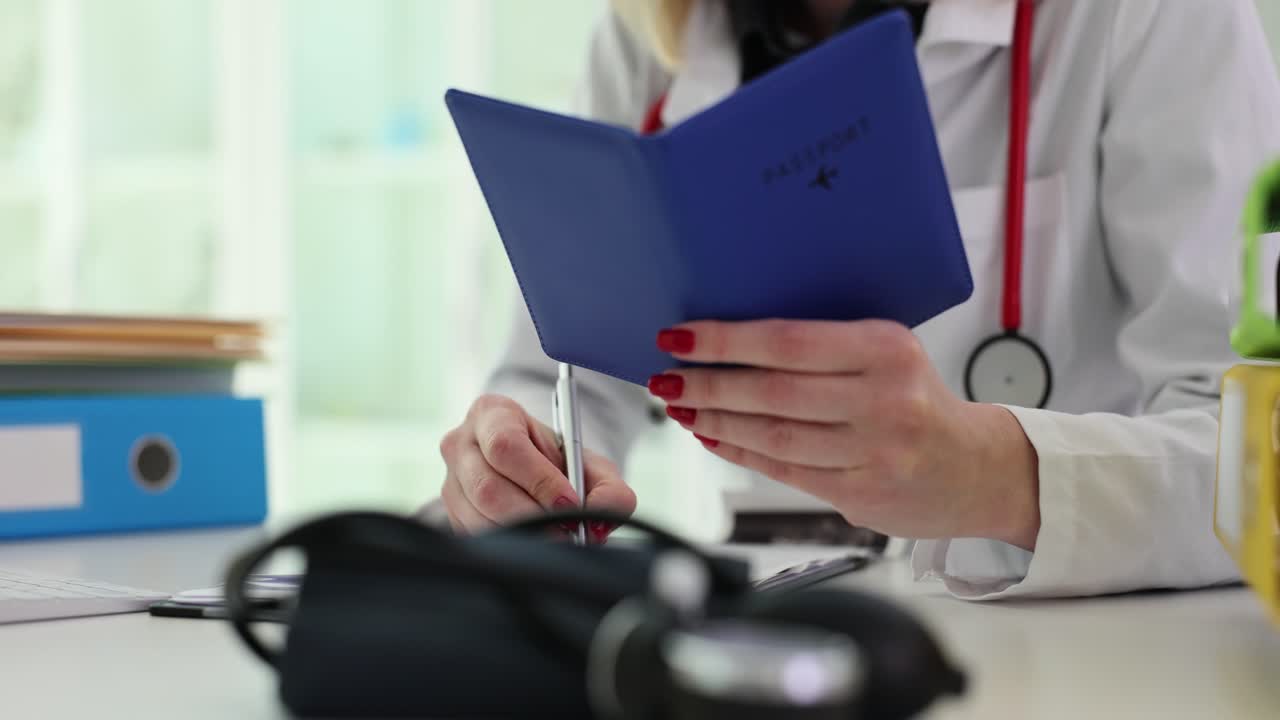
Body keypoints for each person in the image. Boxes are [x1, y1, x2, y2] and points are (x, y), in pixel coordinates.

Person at [435, 0, 1280, 599]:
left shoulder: (1154, 14)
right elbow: (567, 373)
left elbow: (1260, 450)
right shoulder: (653, 33)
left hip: (1079, 653)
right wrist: (514, 469)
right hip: (765, 628)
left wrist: (992, 475)